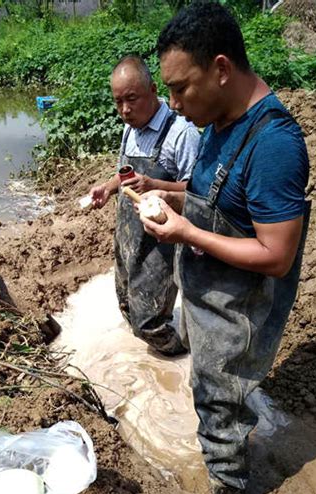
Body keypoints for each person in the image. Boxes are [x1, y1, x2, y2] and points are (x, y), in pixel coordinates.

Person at [137, 2, 310, 494]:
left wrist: (185, 234)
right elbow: (215, 193)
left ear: (220, 69)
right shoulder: (218, 120)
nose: (171, 103)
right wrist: (167, 194)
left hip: (239, 311)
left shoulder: (274, 143)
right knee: (207, 383)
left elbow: (276, 255)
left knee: (222, 404)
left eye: (178, 87)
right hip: (208, 295)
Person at [89, 55, 200, 356]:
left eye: (132, 99)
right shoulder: (130, 128)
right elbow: (124, 174)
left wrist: (155, 185)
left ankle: (185, 354)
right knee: (125, 302)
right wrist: (108, 188)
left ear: (153, 90)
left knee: (148, 323)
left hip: (162, 243)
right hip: (128, 237)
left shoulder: (182, 133)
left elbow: (198, 192)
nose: (125, 110)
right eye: (118, 102)